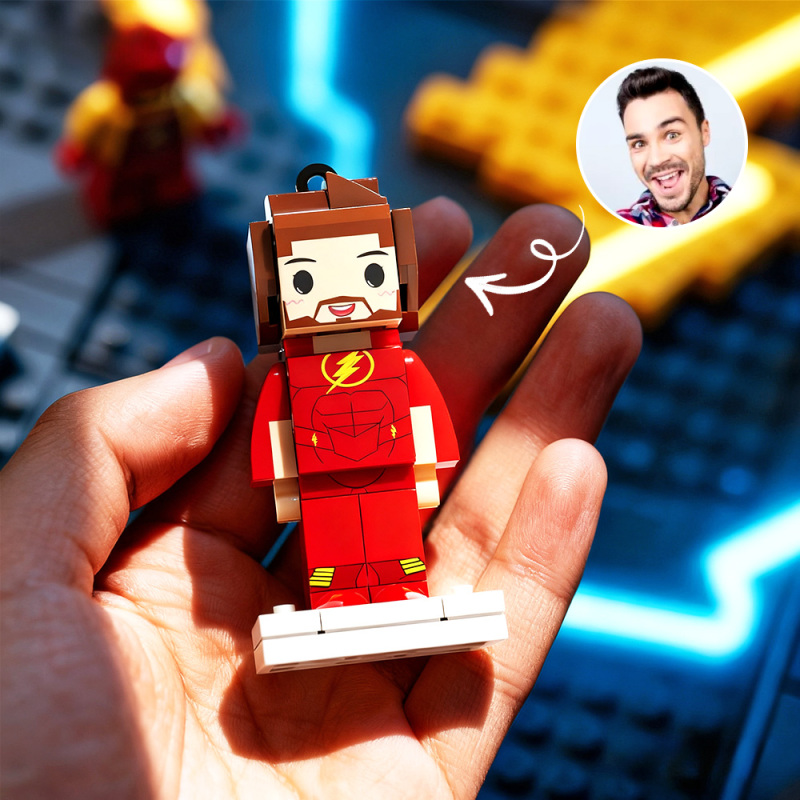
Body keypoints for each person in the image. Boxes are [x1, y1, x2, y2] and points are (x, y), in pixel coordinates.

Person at [0, 198, 641, 798]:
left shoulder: (399, 365)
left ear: (393, 282)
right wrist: (284, 483)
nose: (338, 299)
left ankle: (398, 593)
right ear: (278, 294)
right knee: (333, 550)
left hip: (390, 477)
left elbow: (429, 416)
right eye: (306, 282)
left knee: (393, 544)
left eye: (367, 273)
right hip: (324, 484)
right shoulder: (294, 375)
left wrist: (427, 470)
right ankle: (336, 603)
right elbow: (272, 428)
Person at [616, 66, 731, 227]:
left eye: (672, 135)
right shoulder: (620, 229)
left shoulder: (751, 205)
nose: (656, 160)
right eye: (639, 144)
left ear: (704, 133)